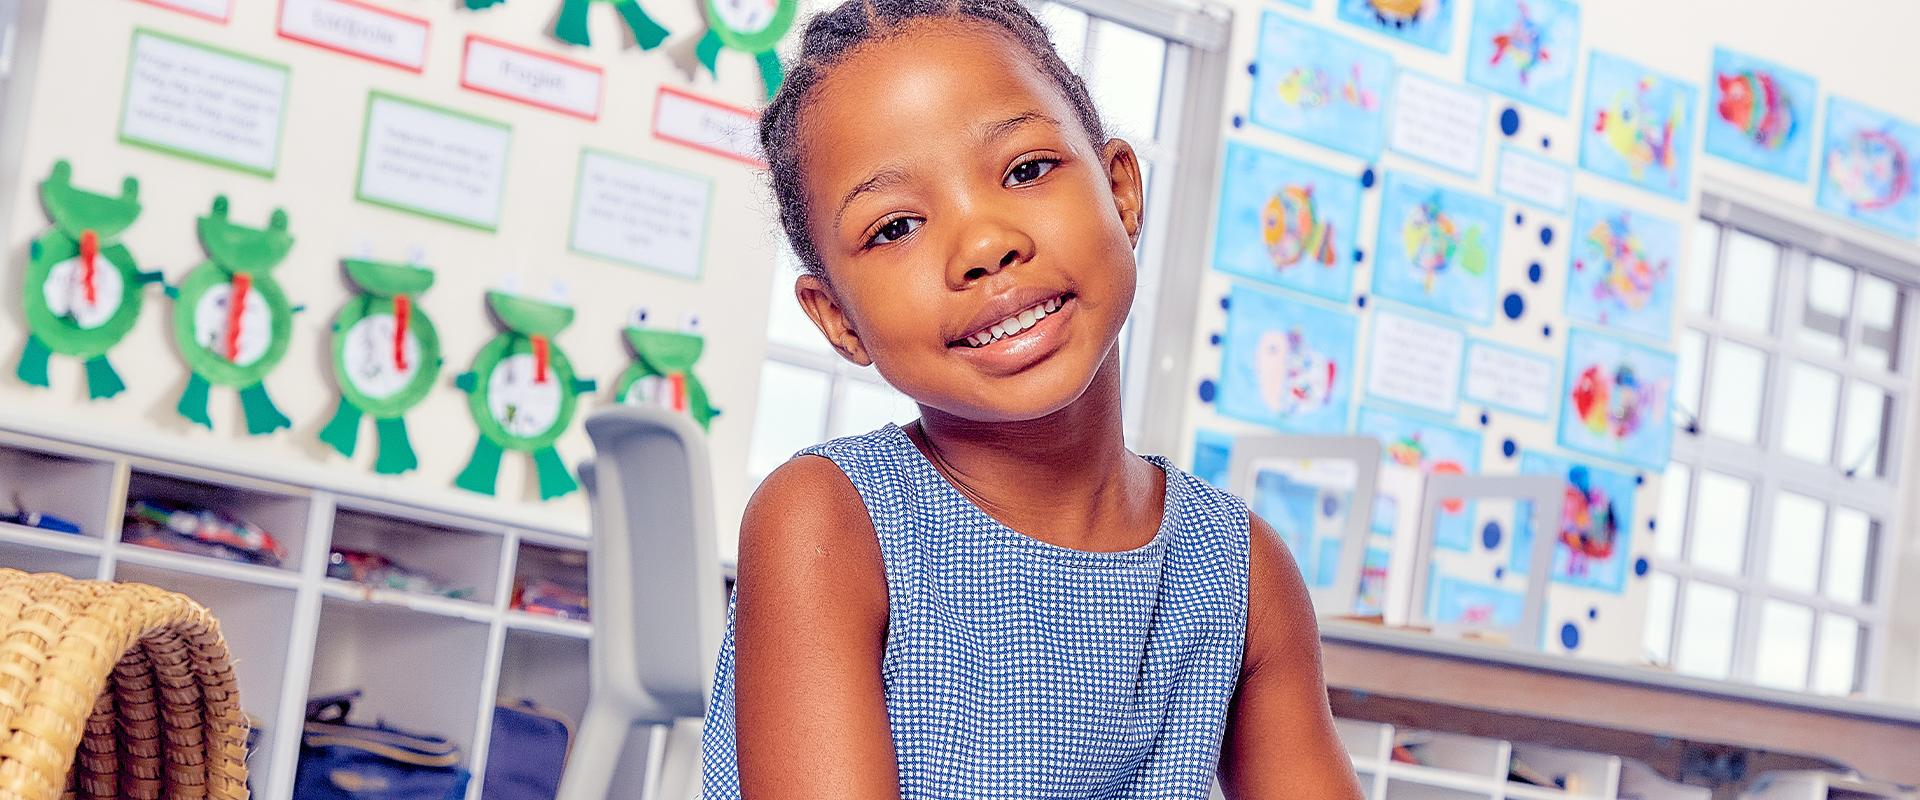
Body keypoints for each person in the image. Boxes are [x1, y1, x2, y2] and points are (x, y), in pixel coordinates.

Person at [700, 0, 1364, 796]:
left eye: (1026, 169)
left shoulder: (1237, 572)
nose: (985, 246)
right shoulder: (827, 521)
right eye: (895, 227)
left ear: (1121, 192)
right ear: (839, 319)